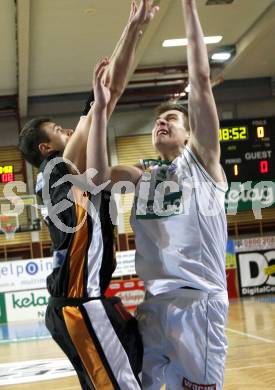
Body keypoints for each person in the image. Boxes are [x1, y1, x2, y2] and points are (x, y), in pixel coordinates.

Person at [87, 0, 228, 389]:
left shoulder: (203, 165)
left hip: (198, 304)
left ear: (188, 134)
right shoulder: (142, 175)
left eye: (171, 119)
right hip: (152, 306)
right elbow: (96, 178)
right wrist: (100, 113)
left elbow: (199, 78)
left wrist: (189, 6)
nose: (162, 122)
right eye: (158, 120)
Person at [18, 1, 159, 389]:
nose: (69, 131)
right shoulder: (59, 167)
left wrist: (134, 30)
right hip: (80, 303)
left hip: (83, 302)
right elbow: (107, 95)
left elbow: (107, 95)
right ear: (46, 149)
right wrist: (133, 28)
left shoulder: (70, 177)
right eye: (61, 131)